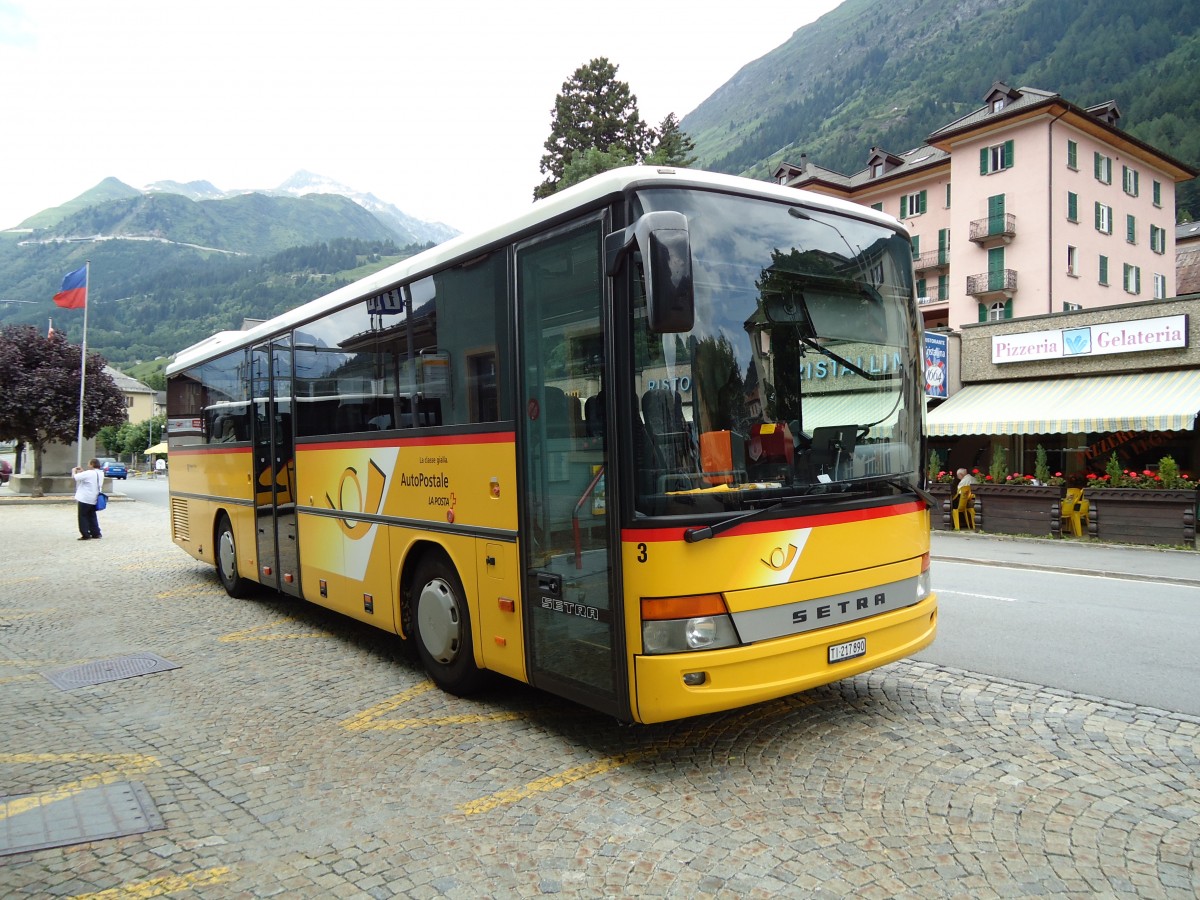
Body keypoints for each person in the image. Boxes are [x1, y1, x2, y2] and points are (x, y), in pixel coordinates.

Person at [72, 458, 104, 540]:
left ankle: (85, 534)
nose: (88, 465)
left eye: (89, 463)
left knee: (83, 516)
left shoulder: (89, 473)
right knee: (92, 515)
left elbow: (75, 477)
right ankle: (96, 533)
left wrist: (74, 471)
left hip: (85, 498)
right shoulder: (100, 473)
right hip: (94, 497)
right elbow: (90, 480)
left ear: (92, 464)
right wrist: (83, 472)